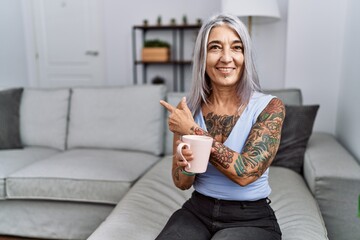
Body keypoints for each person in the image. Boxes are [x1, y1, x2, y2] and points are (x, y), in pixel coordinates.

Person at [157, 13, 285, 240]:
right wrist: (185, 166)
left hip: (251, 218)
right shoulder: (188, 109)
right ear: (202, 57)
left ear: (245, 56)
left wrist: (192, 130)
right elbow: (182, 183)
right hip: (197, 211)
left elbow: (246, 172)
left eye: (236, 48)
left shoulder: (270, 106)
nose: (226, 58)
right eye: (215, 47)